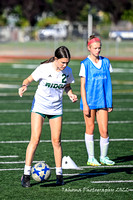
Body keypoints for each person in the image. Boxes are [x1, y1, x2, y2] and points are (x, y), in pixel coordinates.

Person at [18, 46, 78, 187]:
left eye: (67, 63)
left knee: (56, 141)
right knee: (35, 139)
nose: (65, 65)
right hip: (39, 107)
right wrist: (24, 85)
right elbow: (28, 79)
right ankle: (26, 175)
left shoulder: (67, 71)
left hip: (56, 108)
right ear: (56, 59)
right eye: (62, 62)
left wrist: (70, 94)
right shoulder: (44, 69)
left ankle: (59, 175)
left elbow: (67, 86)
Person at [79, 35, 115, 166]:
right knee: (90, 128)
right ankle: (91, 158)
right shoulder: (85, 64)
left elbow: (109, 84)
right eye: (95, 48)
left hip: (103, 101)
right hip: (89, 101)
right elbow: (82, 86)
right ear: (89, 48)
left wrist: (109, 101)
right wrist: (85, 104)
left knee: (104, 130)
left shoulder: (106, 62)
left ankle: (104, 157)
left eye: (99, 48)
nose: (98, 50)